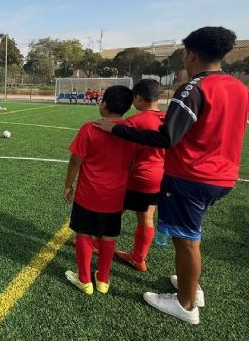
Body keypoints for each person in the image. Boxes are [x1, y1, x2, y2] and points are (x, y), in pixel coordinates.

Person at [94, 26, 248, 324]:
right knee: (191, 236)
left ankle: (186, 304)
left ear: (191, 55)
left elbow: (167, 138)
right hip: (223, 176)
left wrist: (118, 128)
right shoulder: (239, 88)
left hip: (192, 176)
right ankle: (192, 287)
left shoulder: (194, 88)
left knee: (187, 241)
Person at [64, 85, 138, 295]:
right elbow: (132, 164)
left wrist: (68, 185)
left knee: (84, 234)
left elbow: (75, 160)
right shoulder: (130, 132)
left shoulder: (90, 128)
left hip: (89, 194)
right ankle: (103, 280)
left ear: (104, 105)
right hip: (115, 196)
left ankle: (84, 280)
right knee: (108, 237)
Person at [116, 79, 166, 272]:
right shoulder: (168, 118)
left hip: (139, 175)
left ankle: (96, 244)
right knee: (147, 216)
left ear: (138, 98)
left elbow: (124, 152)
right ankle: (138, 258)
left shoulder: (135, 122)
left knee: (115, 211)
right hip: (160, 175)